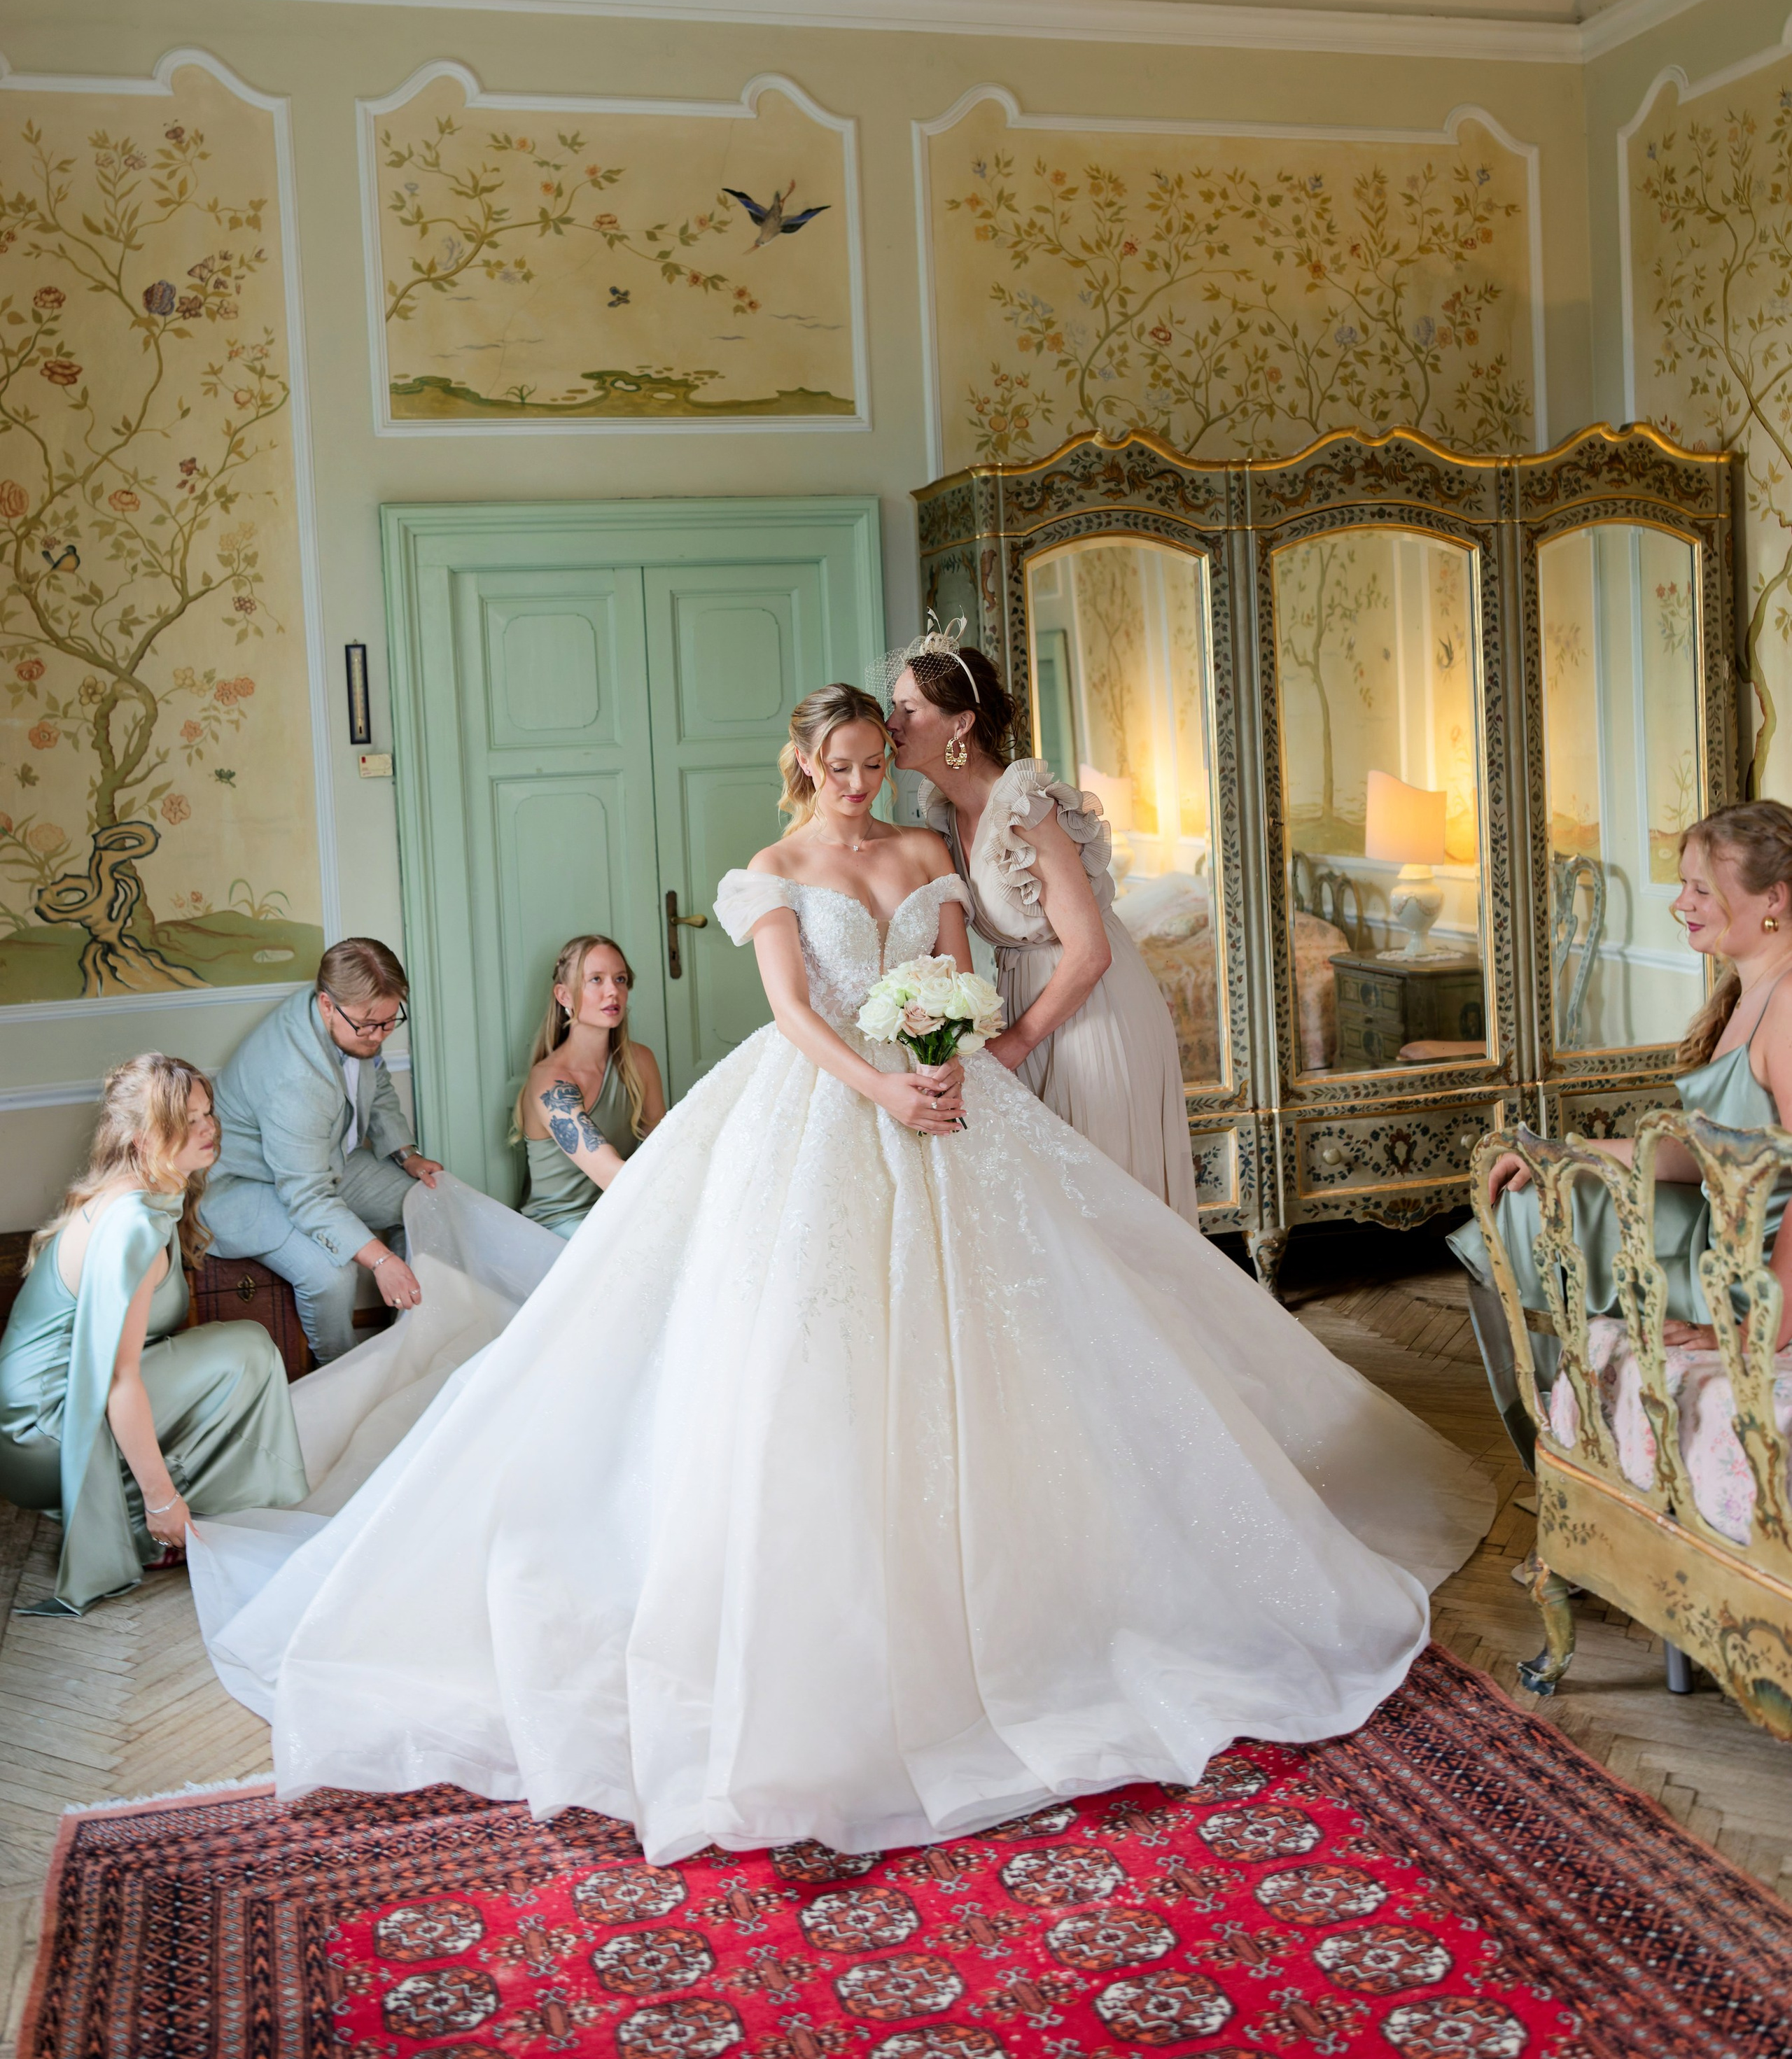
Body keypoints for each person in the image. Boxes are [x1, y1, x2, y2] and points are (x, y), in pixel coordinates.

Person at [192, 680, 1490, 1862]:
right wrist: (886, 1083)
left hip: (952, 1094)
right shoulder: (772, 869)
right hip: (829, 1104)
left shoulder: (929, 852)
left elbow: (963, 981)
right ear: (803, 763)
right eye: (840, 763)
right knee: (818, 1352)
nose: (861, 780)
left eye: (876, 759)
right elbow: (797, 1015)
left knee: (1036, 1334)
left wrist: (953, 1059)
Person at [1451, 801, 1792, 1455]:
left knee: (1526, 1215)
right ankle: (1566, 1444)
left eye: (1702, 888)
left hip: (1747, 1260)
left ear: (1773, 896)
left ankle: (1560, 1450)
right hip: (1716, 1225)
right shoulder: (1750, 991)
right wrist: (1559, 1152)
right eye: (1683, 886)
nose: (1680, 904)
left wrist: (1762, 1322)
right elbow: (1704, 1154)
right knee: (1525, 1201)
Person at [887, 621, 1201, 1225]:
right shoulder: (948, 818)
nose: (892, 724)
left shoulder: (1024, 809)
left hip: (1093, 1009)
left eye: (909, 709)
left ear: (960, 724)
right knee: (1051, 1212)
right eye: (893, 708)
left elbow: (1090, 952)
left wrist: (1016, 1043)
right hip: (1025, 1004)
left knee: (1105, 1202)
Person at [0, 1057, 307, 1616]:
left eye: (208, 1112)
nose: (209, 1127)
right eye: (188, 1120)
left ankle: (168, 1505)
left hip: (48, 1417)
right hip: (47, 1432)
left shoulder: (142, 1194)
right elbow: (118, 1381)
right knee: (247, 1354)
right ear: (142, 1140)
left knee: (241, 1345)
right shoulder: (131, 1226)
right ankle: (152, 1520)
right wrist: (161, 1502)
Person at [201, 938, 442, 1364]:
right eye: (370, 1025)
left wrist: (407, 1155)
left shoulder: (355, 1017)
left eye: (390, 1023)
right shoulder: (292, 1076)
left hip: (320, 1161)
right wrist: (382, 1260)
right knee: (334, 1276)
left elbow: (378, 1083)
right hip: (250, 1186)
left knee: (424, 1200)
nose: (379, 1035)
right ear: (327, 1005)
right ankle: (338, 1375)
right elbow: (308, 1195)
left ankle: (407, 1345)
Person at [514, 934, 666, 1235]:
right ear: (564, 996)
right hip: (561, 1230)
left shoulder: (640, 1061)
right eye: (596, 980)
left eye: (620, 979)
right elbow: (610, 1174)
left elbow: (661, 1148)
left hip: (621, 1213)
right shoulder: (549, 1083)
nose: (613, 991)